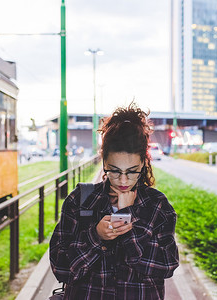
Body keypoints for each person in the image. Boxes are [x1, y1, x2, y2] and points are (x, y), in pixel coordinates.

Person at [49, 103, 179, 299]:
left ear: (143, 163)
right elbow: (60, 267)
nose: (124, 180)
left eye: (132, 171)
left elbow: (167, 265)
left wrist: (128, 226)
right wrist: (96, 237)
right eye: (115, 171)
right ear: (104, 163)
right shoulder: (81, 200)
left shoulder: (156, 205)